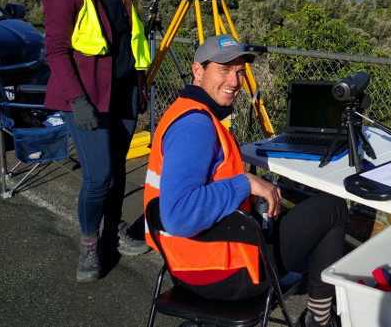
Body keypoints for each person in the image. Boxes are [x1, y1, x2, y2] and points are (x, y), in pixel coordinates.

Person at [144, 34, 347, 327]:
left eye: (240, 71)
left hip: (183, 266)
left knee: (285, 214)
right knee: (333, 208)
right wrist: (246, 184)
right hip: (225, 275)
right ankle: (319, 318)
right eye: (224, 70)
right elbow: (178, 215)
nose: (235, 81)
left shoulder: (182, 111)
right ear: (198, 71)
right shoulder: (196, 126)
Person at [42, 0, 152, 282]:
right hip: (85, 98)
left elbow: (130, 45)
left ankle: (112, 233)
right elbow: (56, 52)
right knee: (98, 176)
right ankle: (89, 243)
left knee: (117, 170)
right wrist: (77, 100)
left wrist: (141, 89)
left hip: (122, 93)